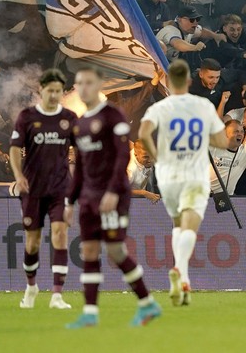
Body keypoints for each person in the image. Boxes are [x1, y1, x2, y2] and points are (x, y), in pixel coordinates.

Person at [65, 66, 160, 328]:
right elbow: (82, 166)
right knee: (90, 250)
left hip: (113, 195)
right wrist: (69, 200)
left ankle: (147, 302)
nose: (83, 89)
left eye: (88, 84)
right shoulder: (81, 124)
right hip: (89, 196)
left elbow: (121, 159)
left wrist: (110, 192)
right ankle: (90, 313)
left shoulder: (114, 118)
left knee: (117, 251)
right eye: (79, 84)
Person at [139, 59, 227, 306]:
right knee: (189, 225)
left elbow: (144, 133)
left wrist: (156, 157)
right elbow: (221, 140)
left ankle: (181, 274)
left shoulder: (161, 108)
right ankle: (180, 268)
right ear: (189, 81)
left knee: (178, 225)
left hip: (169, 174)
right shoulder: (201, 105)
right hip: (194, 172)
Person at [9, 68, 77, 310]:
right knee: (33, 242)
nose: (54, 95)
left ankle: (57, 295)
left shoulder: (69, 118)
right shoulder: (27, 117)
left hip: (60, 188)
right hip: (33, 188)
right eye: (50, 91)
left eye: (58, 91)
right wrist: (18, 175)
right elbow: (15, 149)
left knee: (60, 234)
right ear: (41, 90)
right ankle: (31, 287)